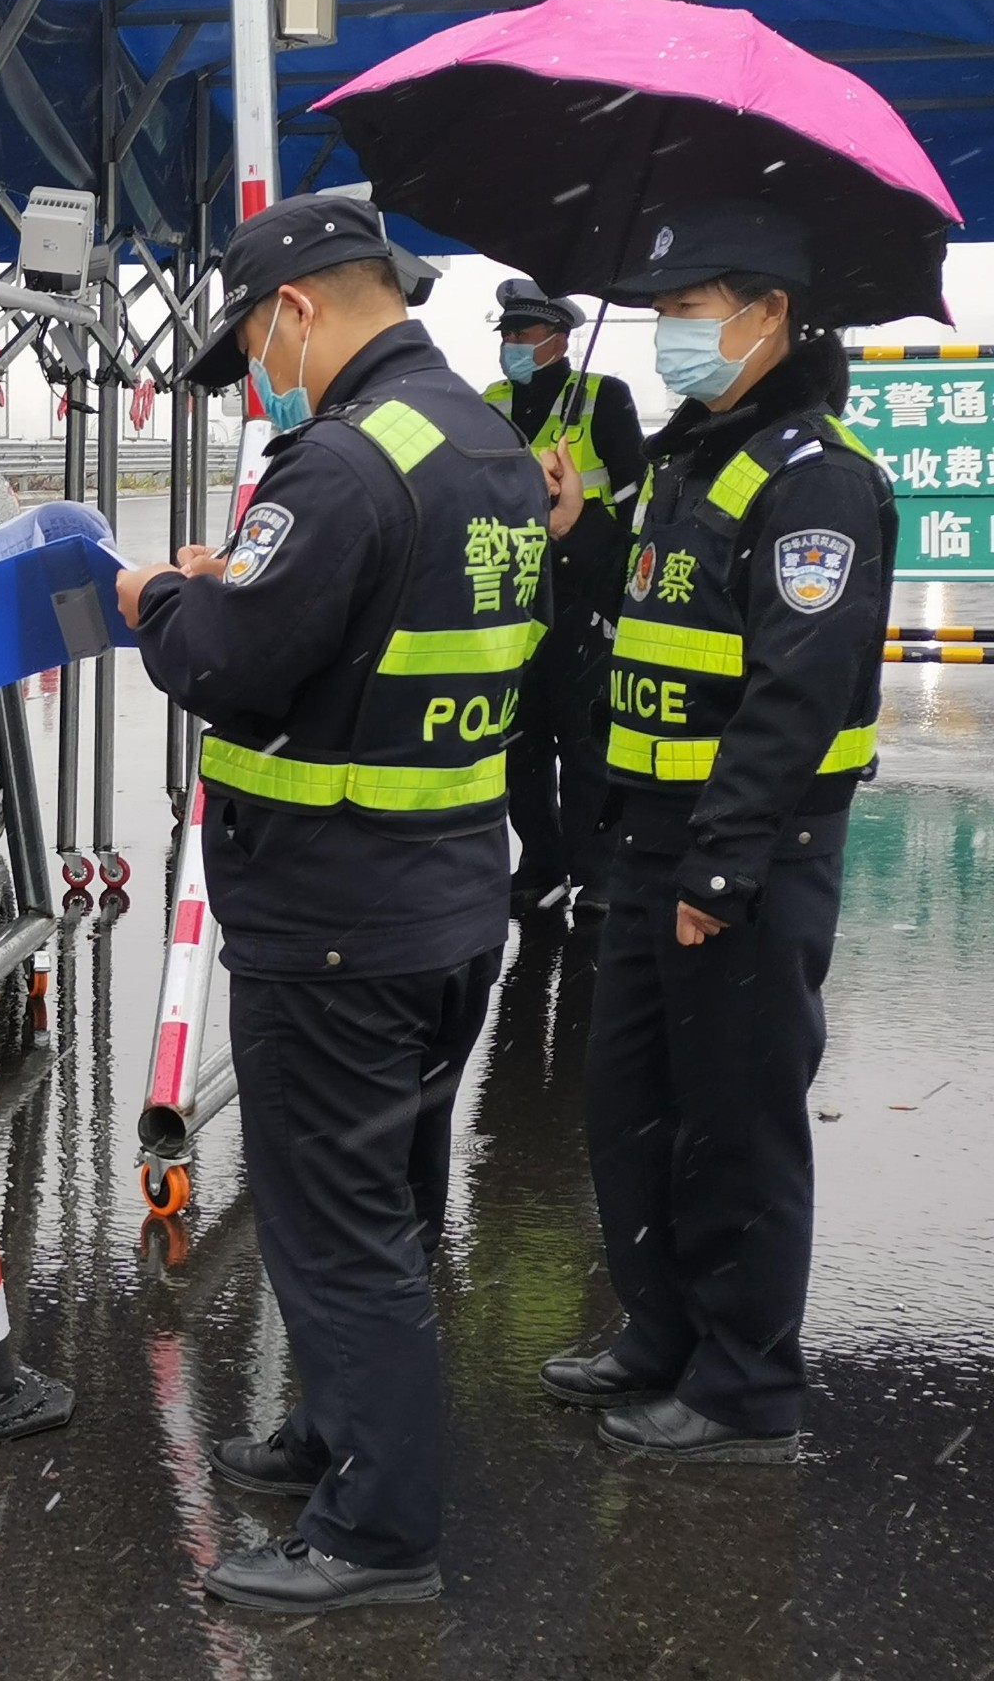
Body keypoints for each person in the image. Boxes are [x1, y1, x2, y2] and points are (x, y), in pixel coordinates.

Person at [113, 193, 551, 1613]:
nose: (259, 379)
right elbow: (374, 629)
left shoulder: (347, 465)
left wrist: (157, 596)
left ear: (295, 309)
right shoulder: (484, 442)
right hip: (441, 897)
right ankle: (333, 1432)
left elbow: (226, 661)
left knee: (336, 1226)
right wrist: (234, 586)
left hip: (337, 916)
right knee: (386, 1202)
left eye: (252, 347)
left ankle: (376, 1532)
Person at [539, 202, 894, 1461]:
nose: (668, 336)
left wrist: (726, 865)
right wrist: (579, 525)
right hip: (647, 844)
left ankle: (746, 1386)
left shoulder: (816, 480)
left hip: (744, 858)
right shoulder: (690, 460)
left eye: (687, 314)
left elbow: (797, 692)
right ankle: (662, 1333)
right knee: (633, 1108)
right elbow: (649, 619)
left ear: (768, 316)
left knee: (735, 1124)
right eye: (660, 315)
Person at [486, 280, 647, 915]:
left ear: (558, 339)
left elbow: (635, 500)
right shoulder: (491, 402)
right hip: (514, 596)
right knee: (519, 744)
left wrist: (613, 584)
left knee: (586, 742)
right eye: (505, 334)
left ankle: (599, 869)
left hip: (585, 592)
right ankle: (540, 865)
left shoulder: (603, 398)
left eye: (522, 335)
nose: (511, 345)